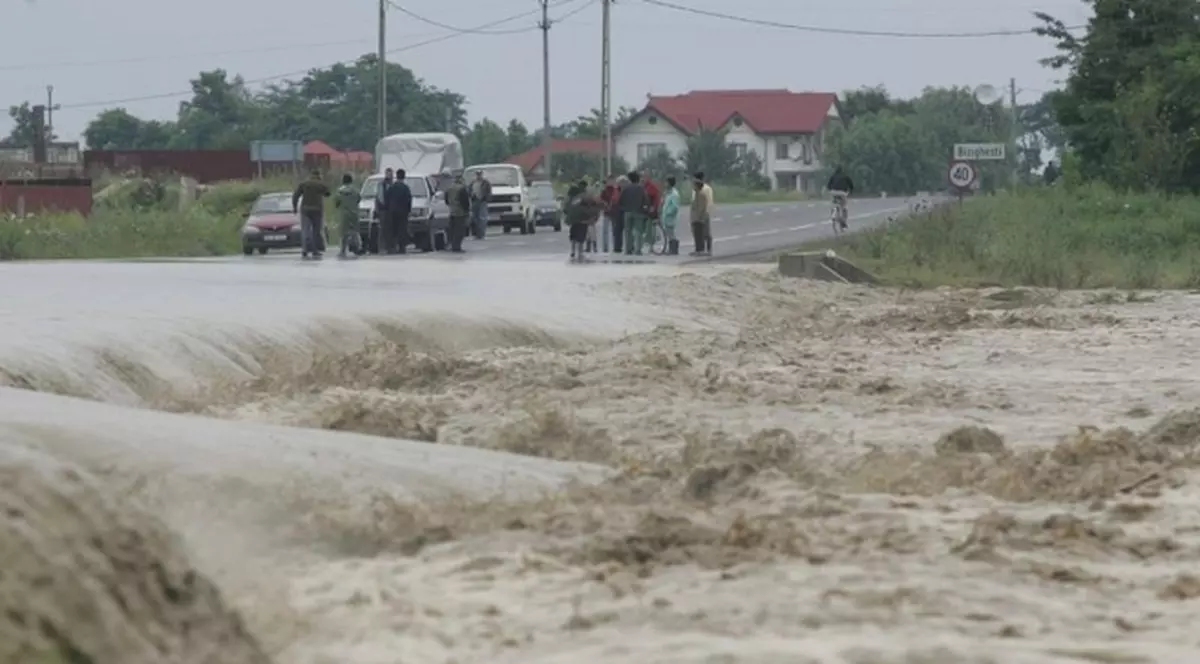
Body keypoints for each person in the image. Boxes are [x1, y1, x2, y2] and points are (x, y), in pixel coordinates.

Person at [292, 169, 330, 259]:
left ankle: (304, 249)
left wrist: (294, 207)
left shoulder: (304, 184)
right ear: (318, 176)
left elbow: (296, 195)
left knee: (305, 230)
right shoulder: (320, 185)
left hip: (305, 210)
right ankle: (315, 251)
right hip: (317, 210)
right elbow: (328, 193)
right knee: (316, 231)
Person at [383, 168, 413, 254]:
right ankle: (402, 247)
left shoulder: (392, 187)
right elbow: (409, 200)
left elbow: (386, 198)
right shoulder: (405, 188)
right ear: (404, 177)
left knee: (393, 229)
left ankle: (392, 247)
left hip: (392, 211)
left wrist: (388, 208)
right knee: (402, 229)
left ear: (396, 176)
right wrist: (409, 211)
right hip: (403, 212)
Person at [619, 171, 649, 256]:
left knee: (628, 231)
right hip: (639, 212)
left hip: (627, 212)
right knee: (638, 231)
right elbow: (646, 199)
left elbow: (620, 201)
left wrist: (624, 208)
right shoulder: (641, 188)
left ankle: (628, 249)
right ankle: (638, 249)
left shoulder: (625, 189)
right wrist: (645, 207)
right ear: (638, 179)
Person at [334, 173, 362, 259]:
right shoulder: (355, 190)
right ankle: (357, 247)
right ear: (351, 180)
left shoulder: (340, 191)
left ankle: (342, 251)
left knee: (343, 234)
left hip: (344, 214)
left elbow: (337, 202)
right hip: (354, 213)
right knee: (355, 231)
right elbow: (359, 199)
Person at [443, 173, 471, 252]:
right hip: (460, 212)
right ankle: (456, 247)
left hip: (452, 211)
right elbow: (465, 202)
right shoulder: (462, 188)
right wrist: (467, 210)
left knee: (452, 230)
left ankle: (451, 245)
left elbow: (446, 200)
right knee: (460, 230)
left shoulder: (449, 188)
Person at [369, 168, 395, 255]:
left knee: (391, 229)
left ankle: (390, 247)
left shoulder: (393, 185)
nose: (389, 176)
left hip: (391, 210)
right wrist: (377, 209)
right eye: (388, 174)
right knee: (382, 229)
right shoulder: (381, 185)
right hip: (383, 210)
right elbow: (378, 197)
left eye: (390, 174)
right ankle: (381, 248)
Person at [689, 171, 714, 256]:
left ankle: (708, 249)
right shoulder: (695, 190)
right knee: (697, 233)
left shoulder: (706, 189)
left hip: (704, 213)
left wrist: (705, 213)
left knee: (706, 232)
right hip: (696, 214)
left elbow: (708, 202)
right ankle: (699, 249)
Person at [826, 165, 854, 230]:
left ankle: (833, 212)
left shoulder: (833, 176)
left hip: (833, 192)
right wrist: (850, 191)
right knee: (844, 207)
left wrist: (831, 190)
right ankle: (844, 223)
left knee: (833, 204)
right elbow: (851, 185)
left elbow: (828, 186)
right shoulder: (845, 176)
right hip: (842, 193)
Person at [660, 175, 681, 255]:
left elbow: (675, 207)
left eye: (666, 182)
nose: (665, 184)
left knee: (671, 233)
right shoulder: (668, 193)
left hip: (670, 217)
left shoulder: (674, 194)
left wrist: (668, 213)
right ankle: (671, 249)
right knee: (669, 234)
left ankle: (673, 250)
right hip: (666, 216)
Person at [468, 170, 492, 239]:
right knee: (475, 218)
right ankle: (476, 234)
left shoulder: (486, 182)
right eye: (477, 174)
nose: (478, 175)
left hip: (482, 202)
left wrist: (486, 199)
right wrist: (471, 195)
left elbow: (489, 192)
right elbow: (469, 191)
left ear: (482, 174)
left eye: (480, 174)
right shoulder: (473, 182)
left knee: (482, 218)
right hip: (475, 201)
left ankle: (482, 234)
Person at [641, 170, 661, 250]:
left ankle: (651, 245)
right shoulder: (643, 186)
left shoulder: (651, 186)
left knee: (650, 228)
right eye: (642, 177)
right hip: (646, 210)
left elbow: (656, 198)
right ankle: (649, 243)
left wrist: (654, 207)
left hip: (652, 211)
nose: (643, 179)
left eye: (645, 177)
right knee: (646, 228)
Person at [599, 175, 618, 253]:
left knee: (614, 231)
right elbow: (600, 200)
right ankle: (605, 247)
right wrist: (605, 204)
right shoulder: (604, 191)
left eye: (611, 180)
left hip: (614, 213)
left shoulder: (616, 190)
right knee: (605, 231)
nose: (610, 182)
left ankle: (615, 246)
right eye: (609, 181)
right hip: (606, 212)